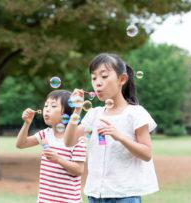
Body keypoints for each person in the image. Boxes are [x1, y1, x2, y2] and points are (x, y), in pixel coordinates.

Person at [64, 53, 159, 203]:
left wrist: (119, 136)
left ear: (122, 79)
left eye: (104, 76)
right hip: (96, 194)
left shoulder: (135, 113)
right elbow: (69, 141)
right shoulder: (94, 114)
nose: (98, 83)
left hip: (124, 194)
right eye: (94, 78)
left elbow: (146, 153)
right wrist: (76, 110)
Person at [16, 90, 86, 203]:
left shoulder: (76, 139)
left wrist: (58, 159)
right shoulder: (45, 134)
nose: (47, 109)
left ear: (66, 113)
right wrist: (27, 123)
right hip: (45, 200)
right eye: (46, 105)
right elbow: (21, 144)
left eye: (53, 106)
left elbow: (79, 170)